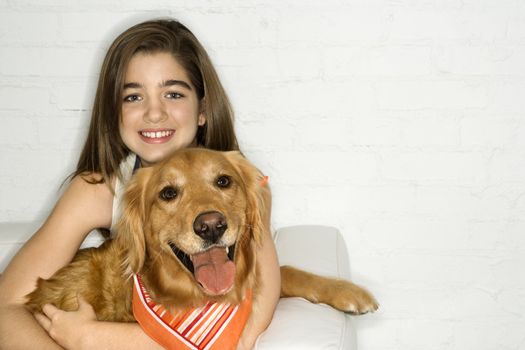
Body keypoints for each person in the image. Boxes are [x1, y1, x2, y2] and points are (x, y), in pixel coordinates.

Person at [0, 18, 281, 350]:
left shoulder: (244, 181)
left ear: (203, 109)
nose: (154, 113)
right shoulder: (97, 190)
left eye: (173, 93)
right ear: (114, 113)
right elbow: (6, 307)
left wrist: (93, 337)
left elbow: (263, 286)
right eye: (133, 97)